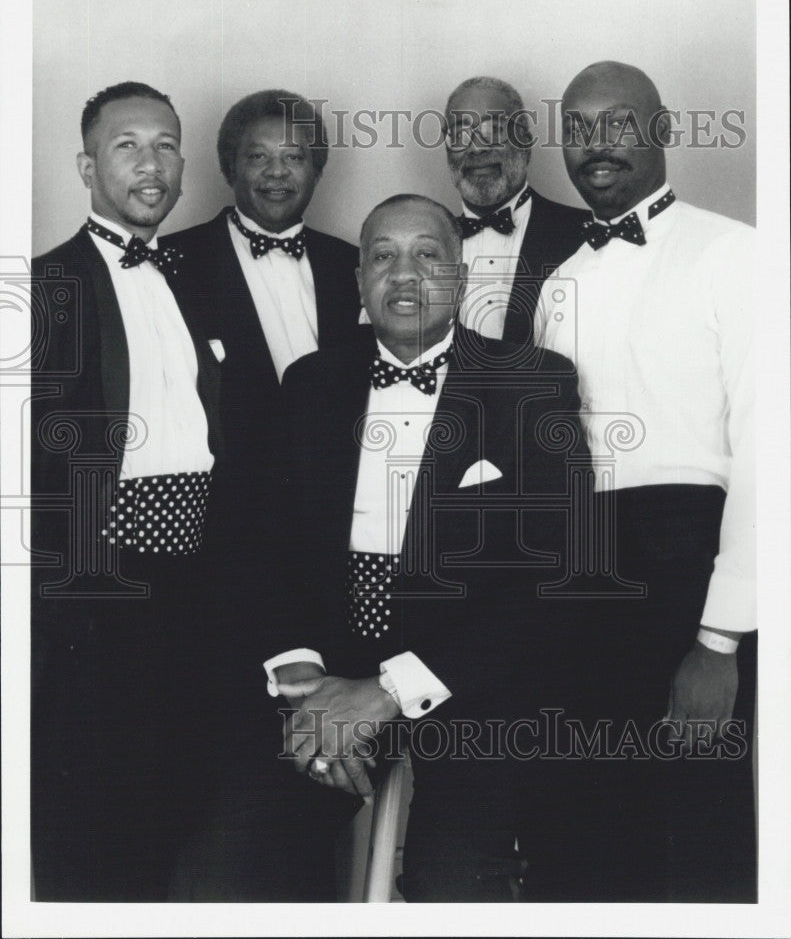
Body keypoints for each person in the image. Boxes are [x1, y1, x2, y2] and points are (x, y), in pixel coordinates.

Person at [172, 194, 588, 901]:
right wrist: (304, 683)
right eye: (382, 256)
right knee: (224, 867)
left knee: (453, 883)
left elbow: (556, 579)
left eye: (427, 254)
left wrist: (388, 693)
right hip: (328, 676)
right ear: (359, 280)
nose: (404, 275)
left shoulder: (530, 383)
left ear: (459, 277)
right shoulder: (309, 383)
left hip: (466, 688)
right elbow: (263, 548)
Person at [534, 60, 757, 901]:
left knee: (692, 830)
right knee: (588, 827)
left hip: (690, 571)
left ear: (661, 130)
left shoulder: (734, 253)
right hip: (578, 577)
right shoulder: (558, 286)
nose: (595, 146)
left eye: (616, 124)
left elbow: (771, 451)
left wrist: (719, 640)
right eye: (578, 128)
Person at [30, 82, 223, 899]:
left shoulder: (192, 278)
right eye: (127, 145)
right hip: (95, 594)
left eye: (167, 144)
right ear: (86, 165)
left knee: (172, 803)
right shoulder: (44, 286)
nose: (152, 163)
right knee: (88, 819)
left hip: (195, 586)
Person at [162, 90, 360, 709]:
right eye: (259, 157)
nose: (278, 173)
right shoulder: (172, 264)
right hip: (218, 557)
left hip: (337, 555)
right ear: (229, 166)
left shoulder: (356, 265)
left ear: (317, 170)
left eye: (295, 157)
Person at [443, 76, 587, 347]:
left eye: (495, 131)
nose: (477, 147)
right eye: (461, 133)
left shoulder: (587, 235)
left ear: (525, 142)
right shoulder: (425, 243)